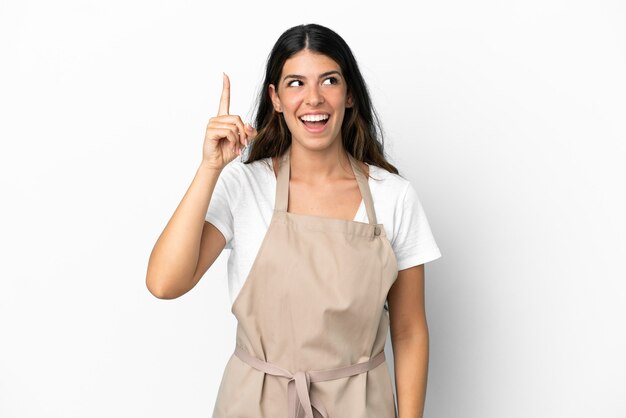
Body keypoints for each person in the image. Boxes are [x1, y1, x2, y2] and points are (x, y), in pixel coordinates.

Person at [146, 23, 441, 418]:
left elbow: (408, 330)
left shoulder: (393, 196)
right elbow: (165, 283)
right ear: (277, 98)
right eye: (296, 83)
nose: (313, 98)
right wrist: (209, 167)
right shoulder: (245, 185)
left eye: (329, 81)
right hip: (253, 405)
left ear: (349, 93)